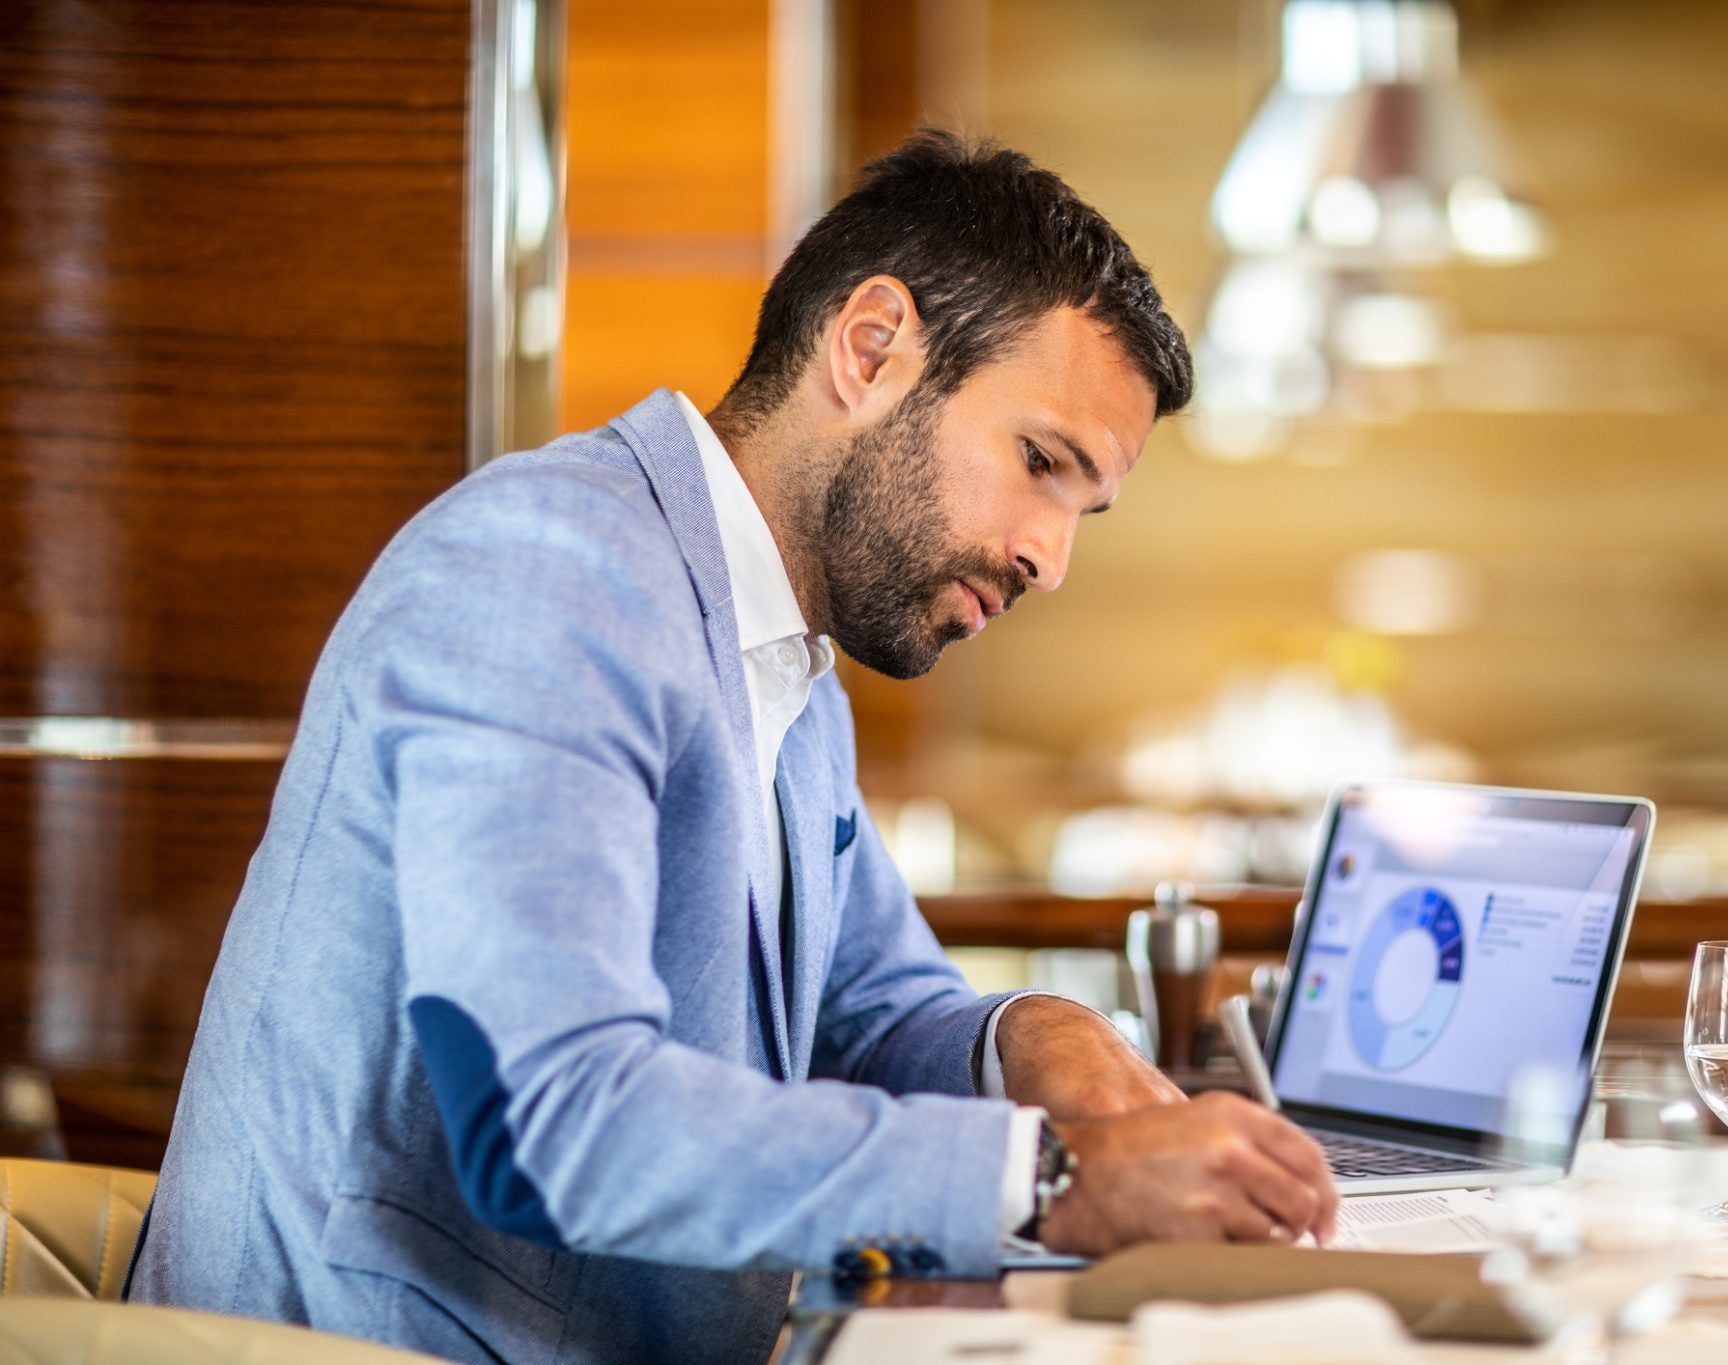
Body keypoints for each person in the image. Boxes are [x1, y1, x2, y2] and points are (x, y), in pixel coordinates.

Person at [128, 132, 1339, 1365]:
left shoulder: (795, 674)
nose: (1049, 557)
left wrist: (1037, 1037)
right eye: (1038, 463)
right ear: (870, 351)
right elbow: (552, 1125)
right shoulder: (543, 577)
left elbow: (871, 1009)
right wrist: (1047, 1179)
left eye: (1082, 508)